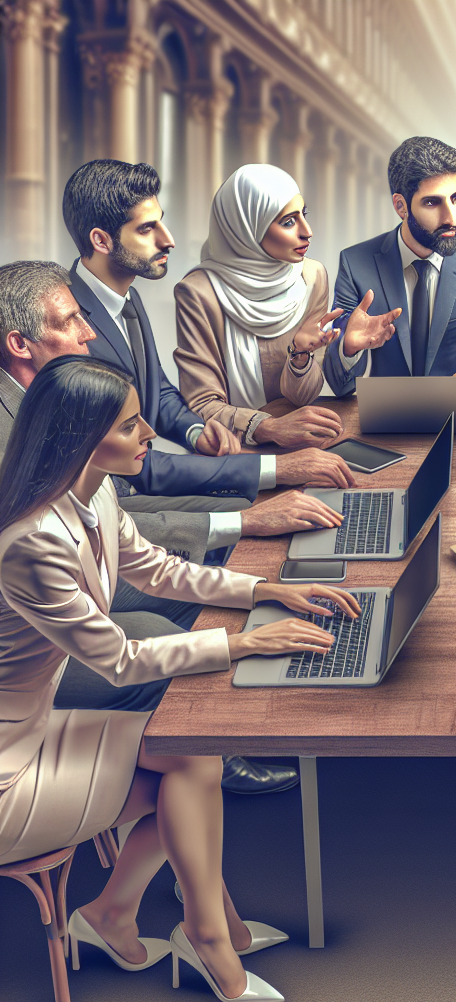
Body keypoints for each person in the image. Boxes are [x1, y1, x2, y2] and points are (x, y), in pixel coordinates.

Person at [0, 355, 362, 1002]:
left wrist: (267, 590)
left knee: (191, 759)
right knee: (190, 765)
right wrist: (247, 640)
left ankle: (132, 920)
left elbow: (163, 572)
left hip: (37, 728)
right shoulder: (33, 544)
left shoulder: (94, 493)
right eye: (131, 426)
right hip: (9, 771)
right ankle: (205, 938)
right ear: (83, 440)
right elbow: (118, 659)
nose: (149, 436)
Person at [0, 259, 343, 795]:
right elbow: (115, 648)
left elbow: (147, 553)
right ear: (20, 343)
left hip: (79, 588)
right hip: (30, 674)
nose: (88, 331)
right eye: (70, 321)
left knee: (214, 597)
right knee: (178, 635)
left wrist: (264, 591)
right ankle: (207, 752)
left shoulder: (78, 429)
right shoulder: (34, 514)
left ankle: (228, 736)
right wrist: (243, 637)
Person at [62, 158, 356, 509]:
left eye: (162, 223)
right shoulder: (68, 325)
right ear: (101, 240)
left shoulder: (125, 297)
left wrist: (196, 431)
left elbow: (158, 393)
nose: (168, 240)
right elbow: (134, 469)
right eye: (146, 229)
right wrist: (274, 467)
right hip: (110, 504)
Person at [174, 164, 350, 448]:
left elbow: (303, 398)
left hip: (302, 436)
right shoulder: (199, 292)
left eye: (303, 216)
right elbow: (201, 405)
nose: (308, 232)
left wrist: (300, 355)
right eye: (289, 222)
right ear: (246, 227)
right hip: (233, 449)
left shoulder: (312, 276)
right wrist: (268, 427)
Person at [322, 136, 456, 399]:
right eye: (433, 203)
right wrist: (349, 349)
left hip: (455, 418)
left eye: (455, 198)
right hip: (385, 421)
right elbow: (341, 385)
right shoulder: (356, 264)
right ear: (401, 206)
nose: (450, 217)